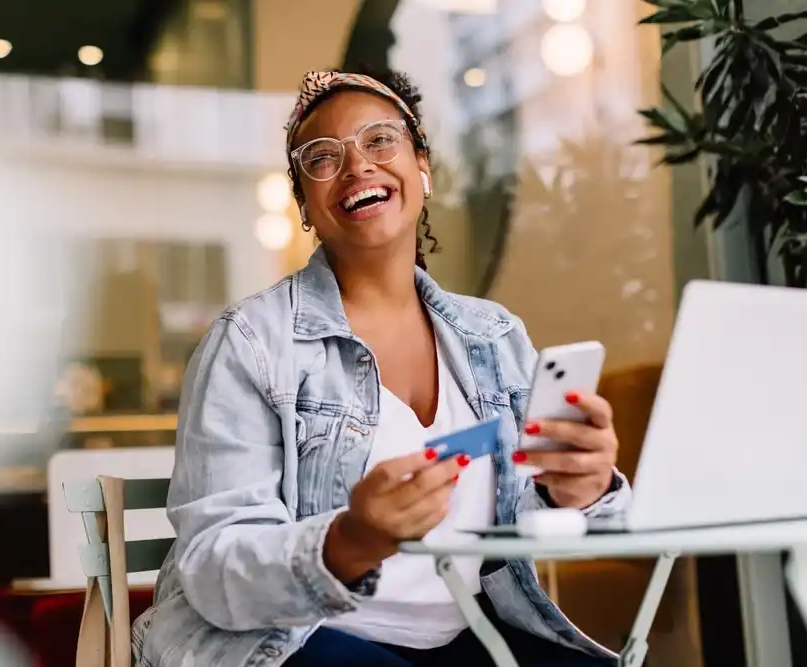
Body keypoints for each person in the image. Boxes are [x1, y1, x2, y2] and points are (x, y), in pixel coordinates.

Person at [132, 66, 631, 667]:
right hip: (287, 642)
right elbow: (216, 567)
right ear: (305, 207)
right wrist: (351, 540)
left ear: (422, 165)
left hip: (465, 634)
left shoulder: (494, 336)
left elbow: (523, 521)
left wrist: (579, 491)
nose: (357, 166)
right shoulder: (250, 342)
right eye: (321, 157)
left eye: (380, 140)